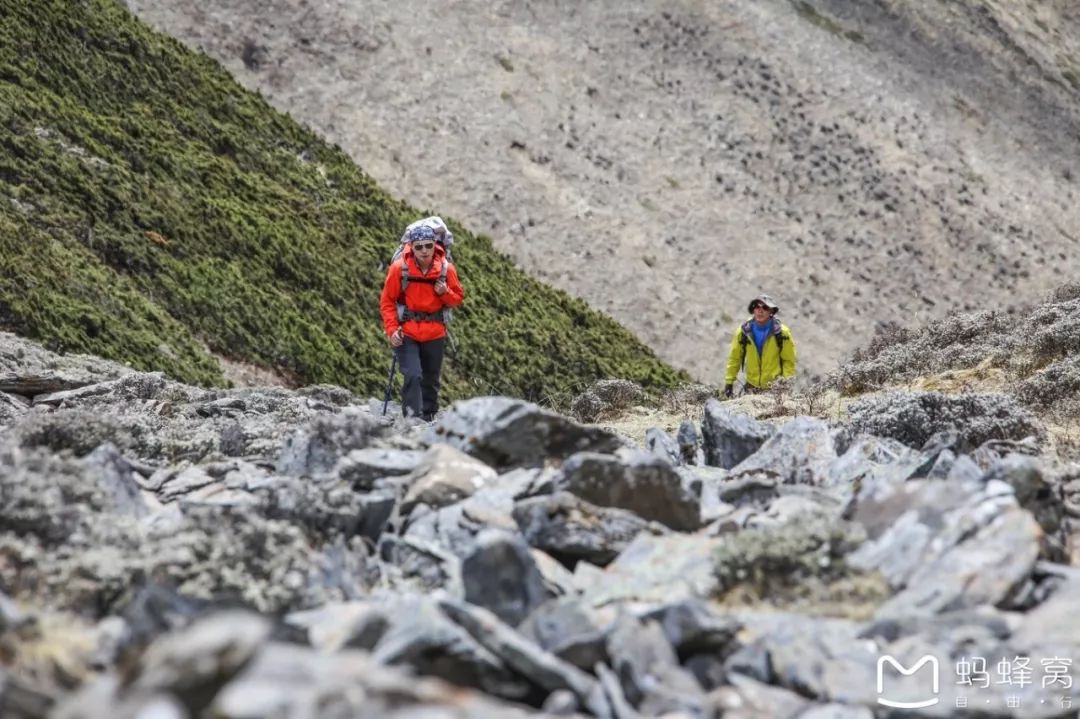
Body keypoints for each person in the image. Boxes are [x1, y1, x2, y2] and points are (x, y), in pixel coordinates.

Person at [379, 224, 464, 420]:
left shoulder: (446, 269)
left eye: (428, 245)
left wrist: (445, 293)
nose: (424, 251)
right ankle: (412, 419)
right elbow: (387, 301)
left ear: (435, 245)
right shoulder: (399, 269)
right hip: (407, 332)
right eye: (419, 247)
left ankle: (429, 418)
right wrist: (392, 330)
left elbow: (457, 299)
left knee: (431, 380)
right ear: (411, 247)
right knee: (413, 375)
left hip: (435, 332)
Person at [723, 294, 796, 398]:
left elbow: (789, 361)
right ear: (753, 309)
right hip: (751, 388)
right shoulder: (743, 331)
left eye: (765, 308)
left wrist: (786, 386)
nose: (760, 311)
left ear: (771, 311)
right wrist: (729, 382)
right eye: (757, 307)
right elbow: (735, 358)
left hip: (774, 389)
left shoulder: (782, 333)